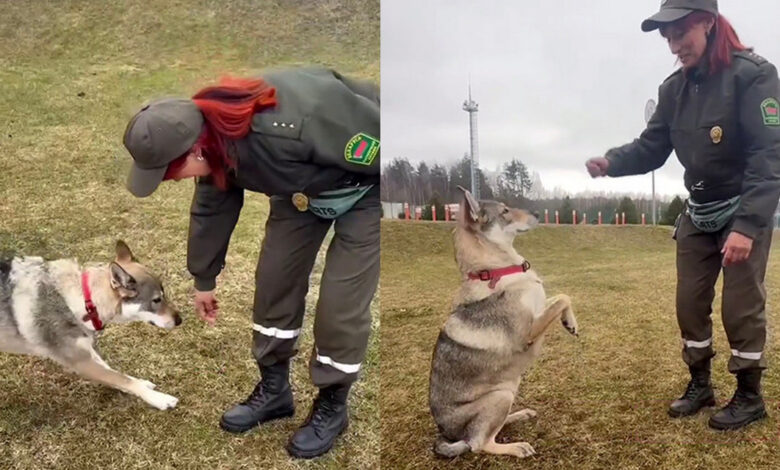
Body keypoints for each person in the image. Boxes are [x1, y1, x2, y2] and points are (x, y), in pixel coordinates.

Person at [123, 66, 380, 458]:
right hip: (300, 190)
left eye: (170, 173)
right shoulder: (214, 142)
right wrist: (204, 279)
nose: (171, 181)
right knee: (275, 282)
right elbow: (212, 205)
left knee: (340, 304)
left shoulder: (294, 127)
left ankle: (333, 405)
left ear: (194, 150)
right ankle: (275, 391)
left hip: (367, 188)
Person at [586, 0, 780, 430]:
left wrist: (748, 226)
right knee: (689, 304)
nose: (674, 46)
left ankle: (750, 396)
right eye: (667, 37)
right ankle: (700, 384)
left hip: (742, 209)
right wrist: (612, 162)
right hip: (698, 211)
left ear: (707, 23)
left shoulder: (753, 75)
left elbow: (768, 157)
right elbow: (652, 146)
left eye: (680, 34)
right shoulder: (673, 89)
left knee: (741, 306)